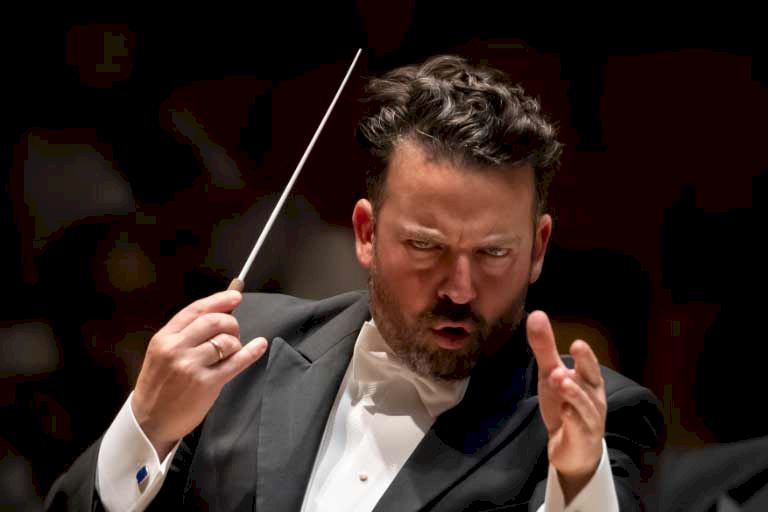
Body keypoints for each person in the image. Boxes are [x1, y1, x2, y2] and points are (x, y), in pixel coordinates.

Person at [44, 54, 663, 511]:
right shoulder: (240, 347)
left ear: (539, 249)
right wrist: (146, 424)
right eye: (425, 246)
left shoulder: (596, 422)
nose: (460, 289)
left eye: (494, 252)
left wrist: (576, 484)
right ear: (365, 233)